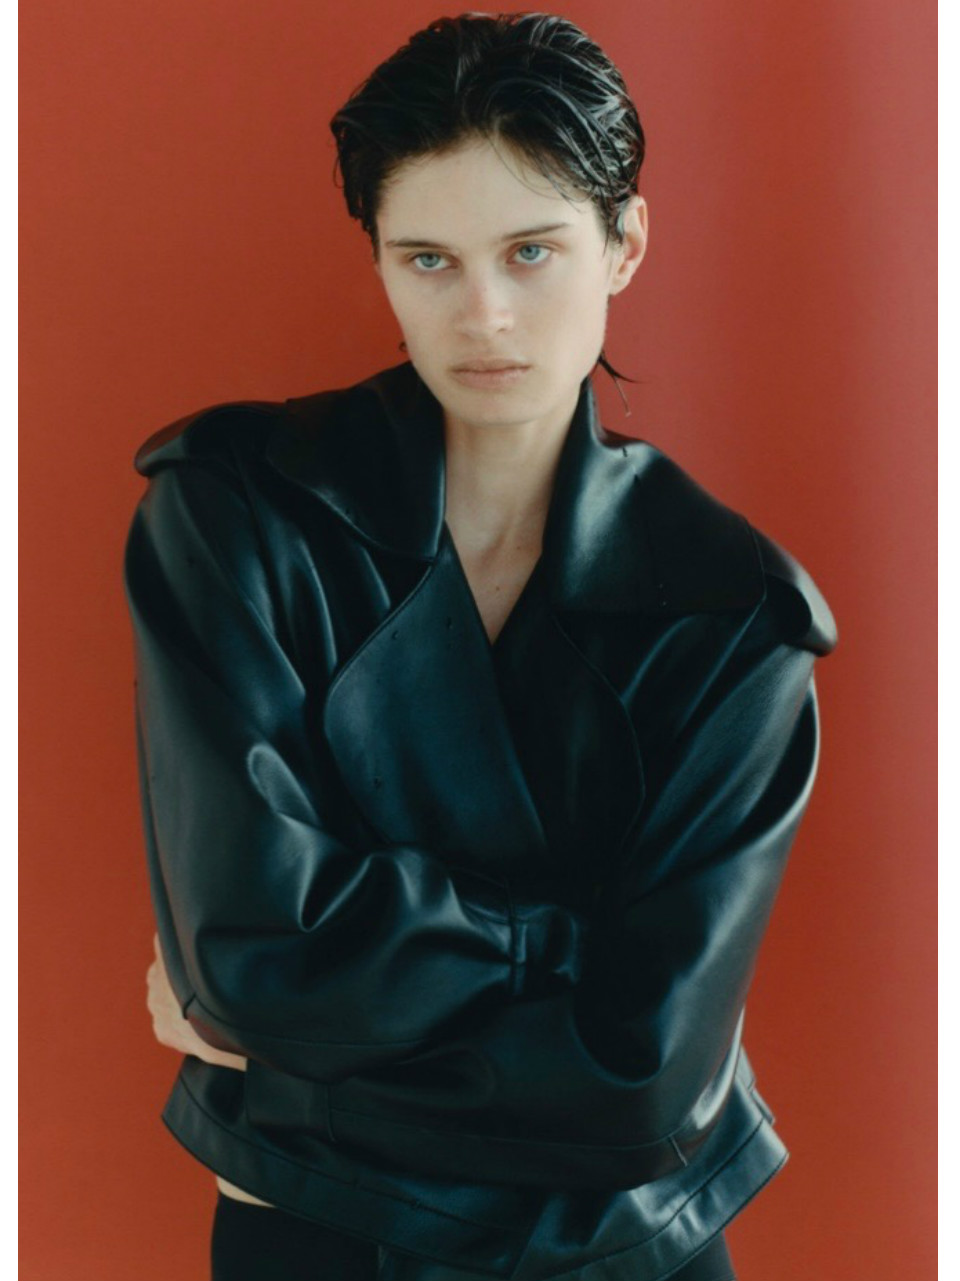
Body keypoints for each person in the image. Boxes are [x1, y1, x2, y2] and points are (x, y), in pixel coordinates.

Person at [126, 12, 838, 1281]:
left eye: (531, 251)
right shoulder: (235, 518)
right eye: (429, 260)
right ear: (381, 262)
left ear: (625, 244)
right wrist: (573, 955)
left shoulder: (734, 613)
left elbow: (642, 1080)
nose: (485, 313)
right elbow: (250, 952)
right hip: (325, 1253)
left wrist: (293, 1088)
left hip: (620, 1258)